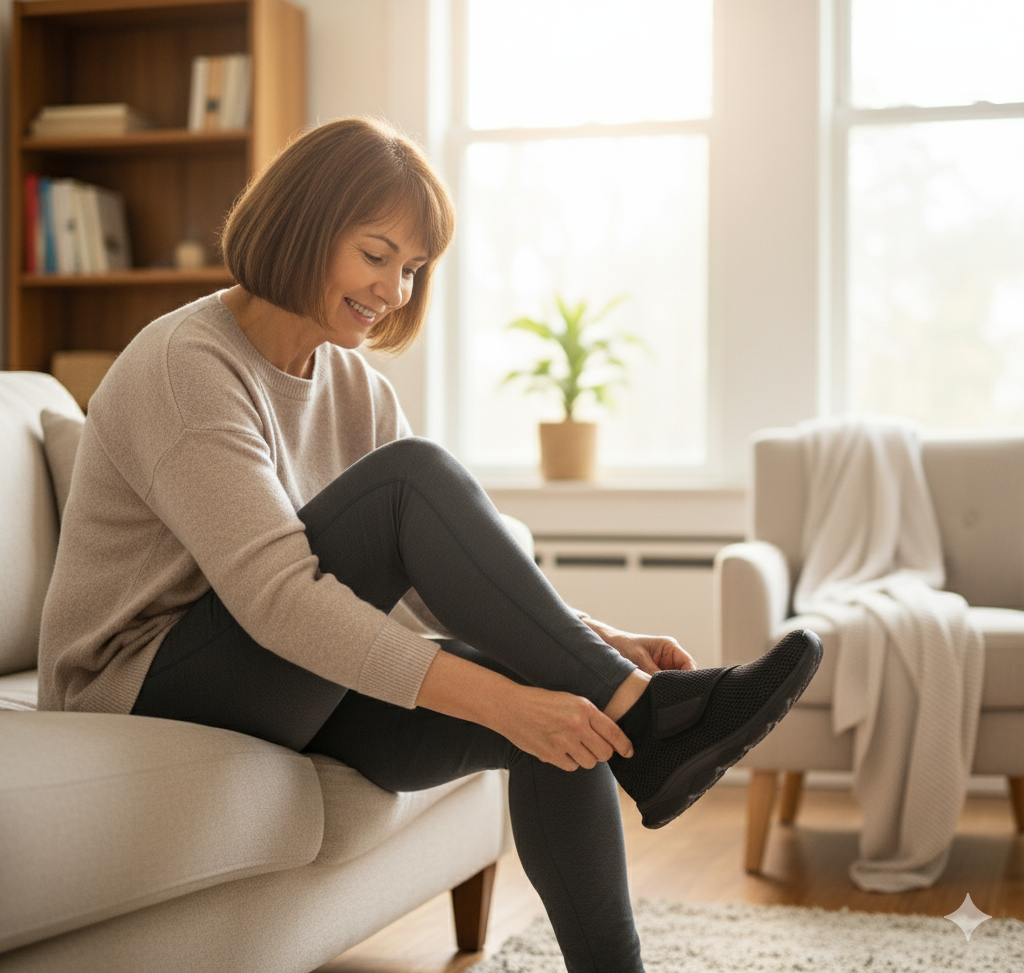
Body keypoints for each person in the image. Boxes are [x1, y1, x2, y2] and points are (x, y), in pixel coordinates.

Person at [38, 117, 821, 973]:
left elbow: (427, 577)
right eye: (376, 256)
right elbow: (279, 598)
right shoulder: (186, 365)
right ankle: (653, 715)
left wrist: (588, 643)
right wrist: (497, 701)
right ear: (304, 224)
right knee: (414, 485)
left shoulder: (351, 386)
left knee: (559, 710)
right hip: (139, 688)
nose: (396, 290)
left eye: (411, 269)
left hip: (270, 675)